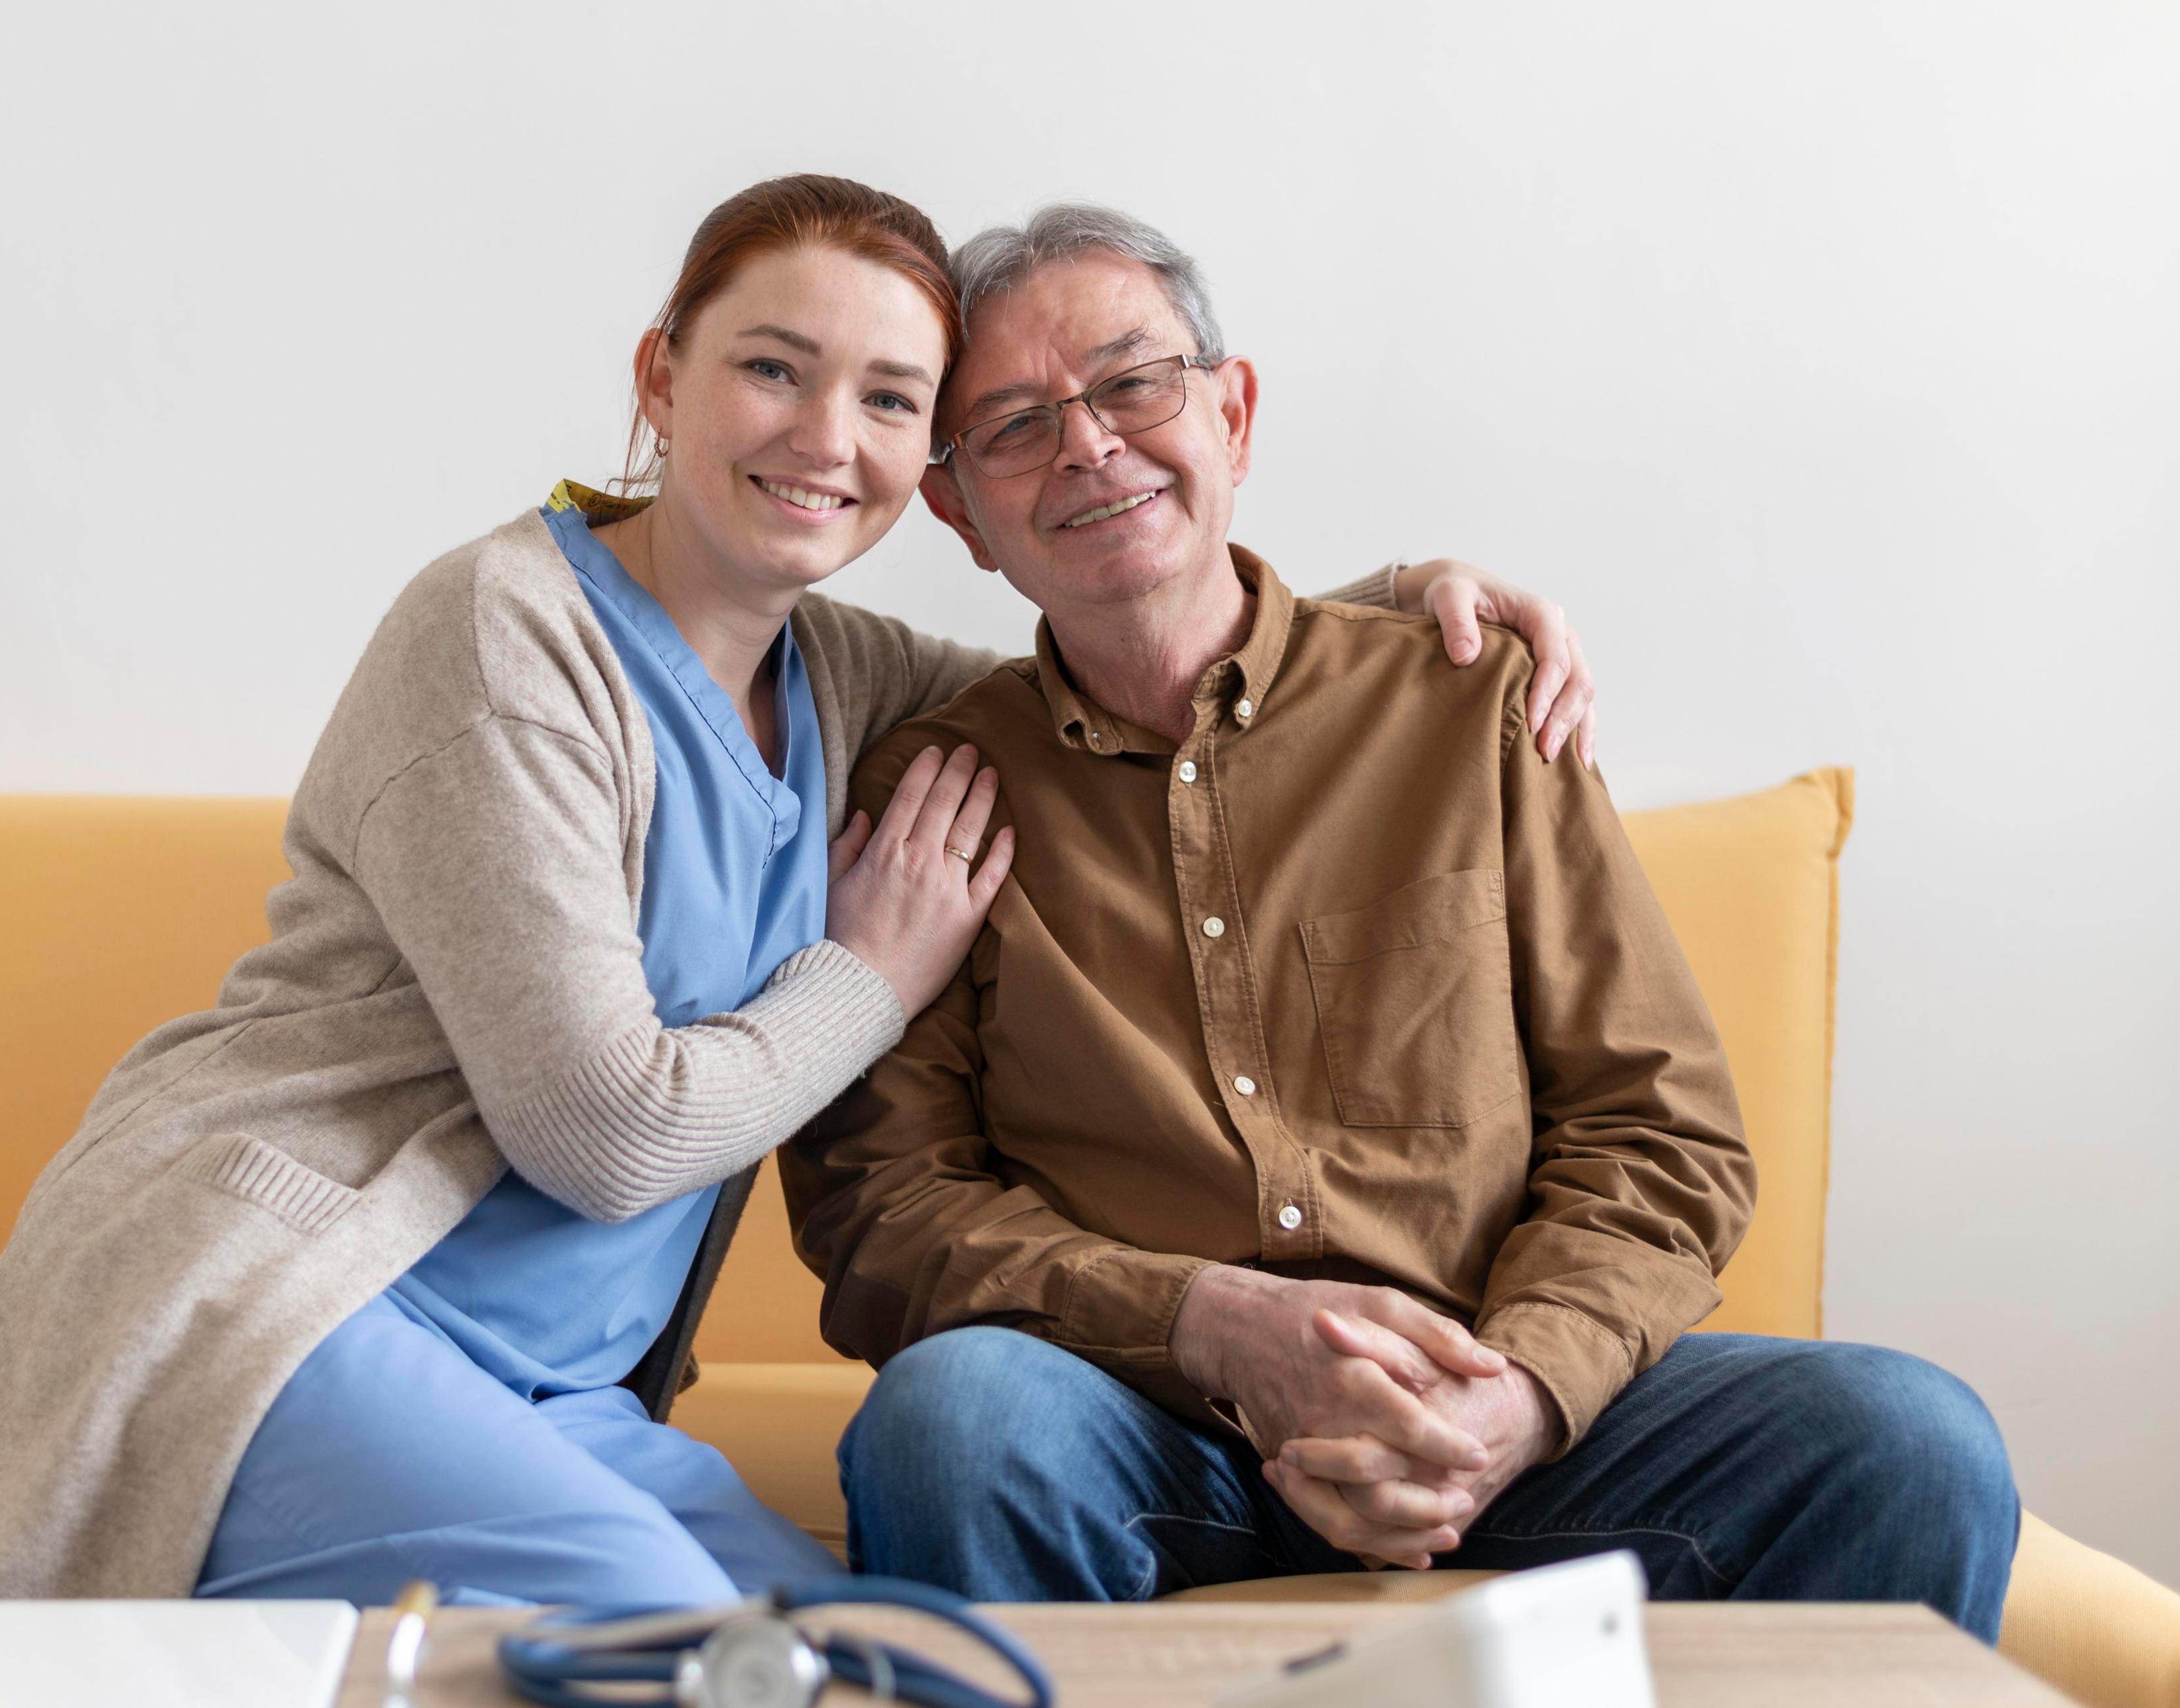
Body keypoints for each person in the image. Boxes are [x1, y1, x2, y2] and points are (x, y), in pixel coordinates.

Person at [0, 176, 1596, 1608]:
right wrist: (870, 977)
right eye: (772, 367)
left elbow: (1113, 639)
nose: (829, 434)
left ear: (934, 474)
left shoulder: (842, 672)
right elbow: (605, 1138)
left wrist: (1390, 610)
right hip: (293, 1303)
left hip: (560, 1399)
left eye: (891, 396)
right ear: (661, 374)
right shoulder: (499, 637)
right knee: (682, 1642)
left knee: (862, 1651)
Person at [786, 205, 2021, 1640]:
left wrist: (1521, 1390)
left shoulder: (1471, 702)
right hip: (1146, 1424)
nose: (1089, 447)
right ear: (960, 512)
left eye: (1135, 384)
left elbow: (1655, 1126)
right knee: (951, 1421)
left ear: (1232, 413)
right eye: (1013, 425)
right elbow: (887, 1209)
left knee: (1912, 1440)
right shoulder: (937, 789)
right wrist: (1209, 1324)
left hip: (1512, 1426)